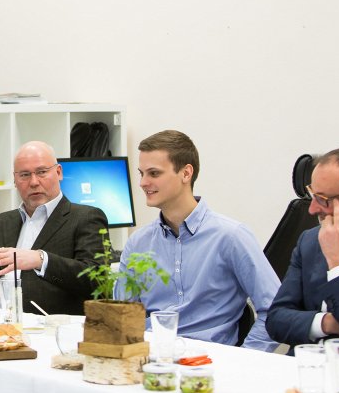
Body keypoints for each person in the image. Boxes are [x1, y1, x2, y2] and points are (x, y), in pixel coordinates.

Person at [115, 130, 280, 351]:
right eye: (141, 173)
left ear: (186, 173)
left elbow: (274, 310)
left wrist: (246, 360)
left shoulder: (231, 237)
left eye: (154, 173)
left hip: (210, 363)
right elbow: (121, 314)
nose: (143, 183)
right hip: (151, 359)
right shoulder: (138, 243)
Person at [0, 141, 108, 316]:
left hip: (43, 328)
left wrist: (41, 260)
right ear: (15, 180)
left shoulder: (86, 217)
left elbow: (97, 282)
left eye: (42, 172)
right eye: (24, 175)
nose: (34, 182)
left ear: (59, 172)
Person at [267, 147, 339, 347]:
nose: (312, 209)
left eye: (323, 200)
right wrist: (327, 322)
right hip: (305, 366)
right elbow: (276, 320)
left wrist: (338, 263)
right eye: (313, 195)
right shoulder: (310, 241)